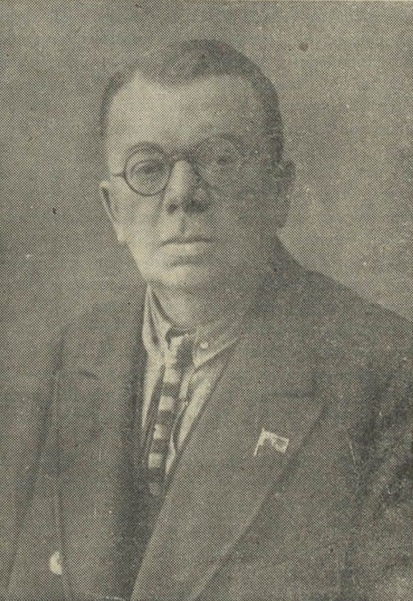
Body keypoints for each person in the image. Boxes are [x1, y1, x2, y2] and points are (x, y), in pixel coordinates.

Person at [1, 39, 411, 601]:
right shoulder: (62, 360)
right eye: (148, 168)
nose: (182, 195)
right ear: (114, 210)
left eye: (221, 160)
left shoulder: (385, 371)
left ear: (280, 191)